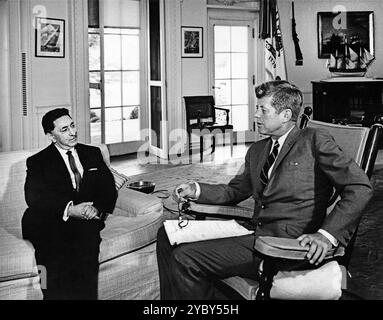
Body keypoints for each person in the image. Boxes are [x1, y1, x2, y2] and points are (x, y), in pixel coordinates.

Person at [156, 80, 374, 300]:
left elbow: (359, 187)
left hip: (287, 244)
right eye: (257, 108)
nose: (256, 115)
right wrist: (196, 189)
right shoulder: (258, 149)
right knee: (166, 234)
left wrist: (326, 236)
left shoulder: (314, 141)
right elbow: (235, 191)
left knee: (186, 258)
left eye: (263, 109)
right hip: (254, 233)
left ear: (286, 115)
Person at [21, 108, 117, 300]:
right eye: (64, 129)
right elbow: (34, 198)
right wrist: (70, 209)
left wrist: (96, 208)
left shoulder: (92, 153)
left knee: (87, 244)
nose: (72, 132)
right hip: (49, 219)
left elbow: (108, 189)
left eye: (72, 126)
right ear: (51, 136)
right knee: (53, 250)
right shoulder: (38, 162)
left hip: (85, 219)